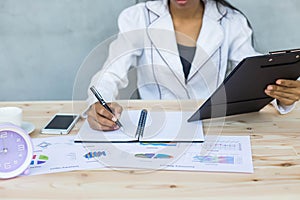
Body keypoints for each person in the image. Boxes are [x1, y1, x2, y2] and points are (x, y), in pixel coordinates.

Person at [86, 0, 300, 131]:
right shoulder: (136, 17)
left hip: (211, 126)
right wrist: (97, 105)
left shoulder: (231, 21)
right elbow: (111, 72)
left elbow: (254, 71)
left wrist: (282, 93)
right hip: (156, 127)